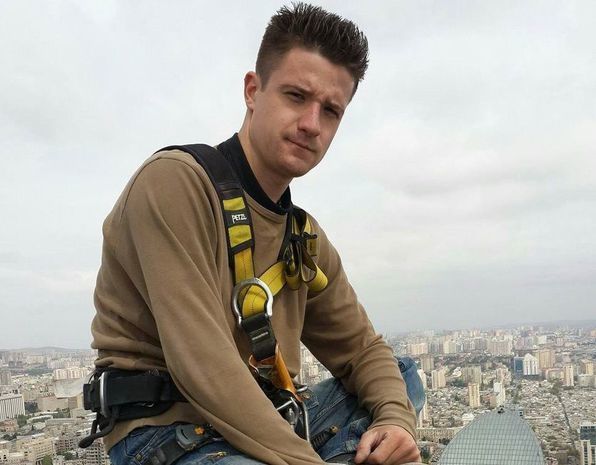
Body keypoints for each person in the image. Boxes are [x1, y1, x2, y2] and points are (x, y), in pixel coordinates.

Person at [89, 3, 423, 465]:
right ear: (252, 90)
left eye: (331, 111)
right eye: (296, 96)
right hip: (168, 433)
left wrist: (395, 423)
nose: (312, 124)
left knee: (399, 379)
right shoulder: (175, 184)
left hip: (267, 421)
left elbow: (363, 349)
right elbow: (204, 367)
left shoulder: (302, 239)